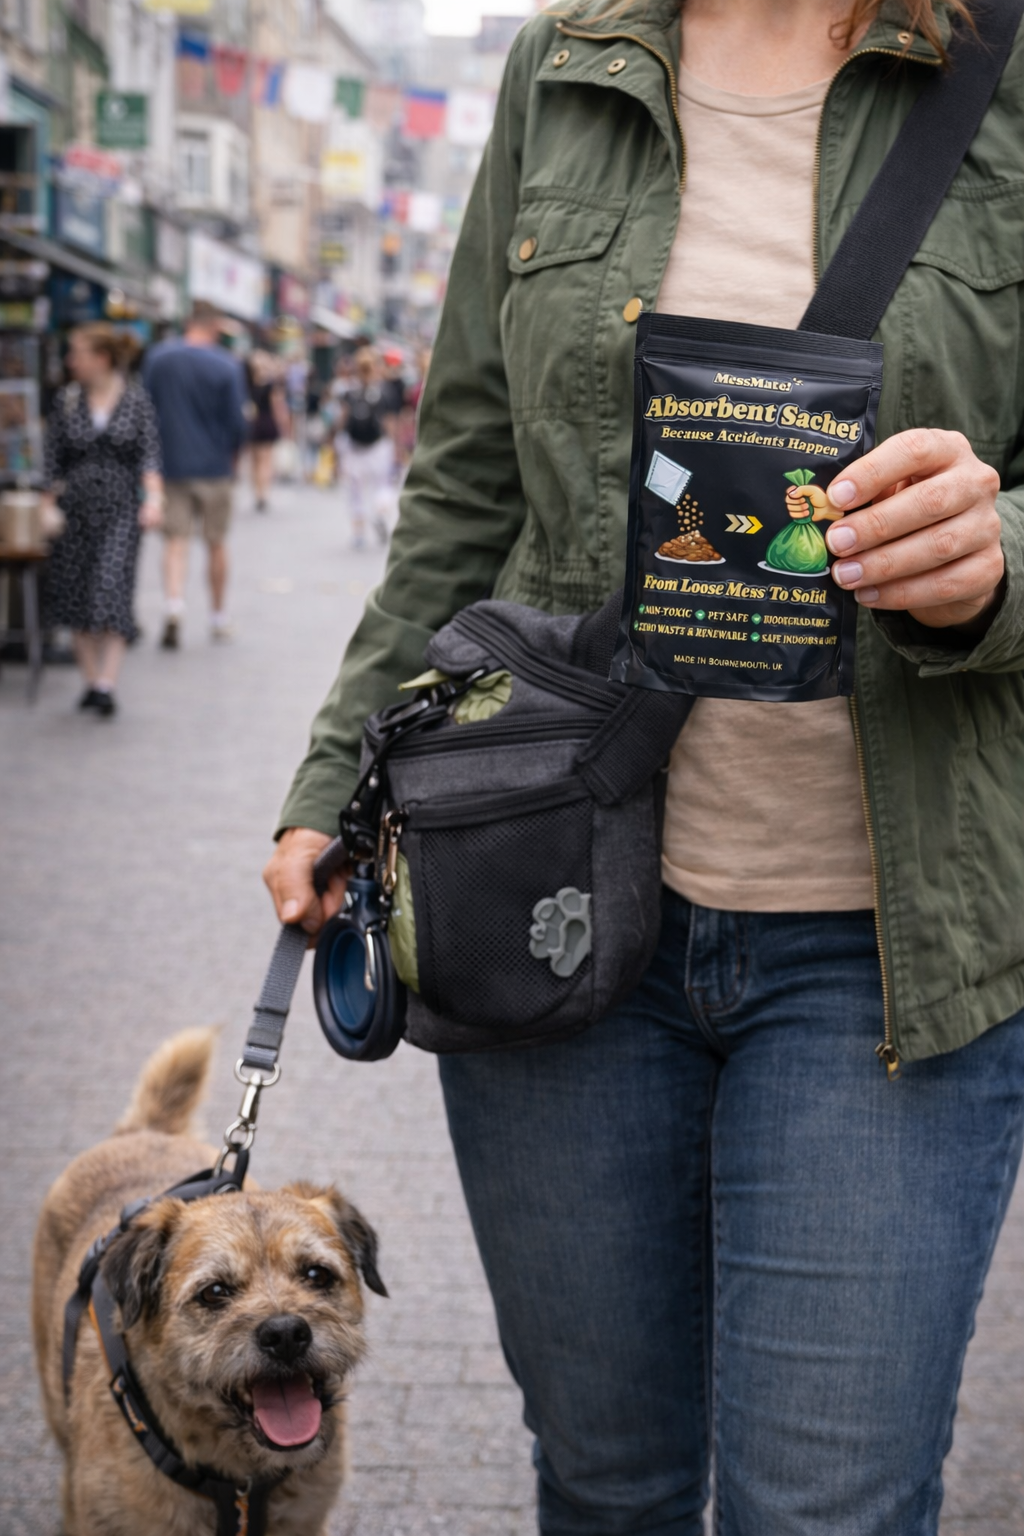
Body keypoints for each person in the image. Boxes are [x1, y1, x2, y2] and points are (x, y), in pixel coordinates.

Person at [264, 0, 1024, 1530]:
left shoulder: (999, 69)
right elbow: (468, 477)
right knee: (606, 1483)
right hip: (549, 897)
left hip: (888, 944)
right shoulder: (566, 67)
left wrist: (998, 558)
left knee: (829, 1506)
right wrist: (334, 782)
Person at [40, 325, 163, 718]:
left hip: (121, 508)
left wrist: (154, 498)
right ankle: (91, 680)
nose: (70, 361)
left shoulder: (135, 400)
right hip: (74, 510)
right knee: (75, 592)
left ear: (102, 358)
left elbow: (149, 455)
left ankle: (107, 683)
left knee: (111, 588)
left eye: (77, 353)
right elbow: (51, 458)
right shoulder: (67, 401)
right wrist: (45, 504)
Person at [143, 301, 248, 647]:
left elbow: (145, 411)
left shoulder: (158, 358)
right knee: (216, 543)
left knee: (176, 542)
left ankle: (174, 605)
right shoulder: (227, 365)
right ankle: (218, 615)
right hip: (215, 467)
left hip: (170, 466)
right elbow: (236, 422)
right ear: (215, 326)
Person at [334, 347, 395, 548]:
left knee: (356, 491)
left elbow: (342, 420)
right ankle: (379, 514)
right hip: (378, 446)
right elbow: (389, 422)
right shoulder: (383, 392)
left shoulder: (349, 391)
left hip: (354, 447)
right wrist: (397, 448)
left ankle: (358, 532)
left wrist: (335, 443)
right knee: (382, 485)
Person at [246, 349, 290, 513]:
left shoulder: (248, 384)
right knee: (266, 461)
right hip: (267, 423)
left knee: (255, 461)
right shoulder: (271, 386)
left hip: (253, 424)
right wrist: (284, 425)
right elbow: (278, 407)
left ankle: (258, 493)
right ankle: (263, 494)